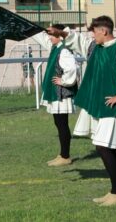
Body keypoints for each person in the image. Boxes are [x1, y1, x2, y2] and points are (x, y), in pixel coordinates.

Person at [47, 15, 116, 206]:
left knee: (103, 146)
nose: (92, 35)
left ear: (104, 31)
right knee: (107, 147)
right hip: (97, 105)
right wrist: (60, 32)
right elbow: (76, 39)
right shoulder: (93, 47)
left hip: (111, 107)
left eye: (94, 31)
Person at [33, 24, 78, 167]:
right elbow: (42, 38)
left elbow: (72, 68)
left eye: (52, 35)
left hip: (61, 94)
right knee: (59, 123)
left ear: (59, 36)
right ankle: (63, 154)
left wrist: (63, 81)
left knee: (62, 124)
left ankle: (65, 156)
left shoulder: (64, 50)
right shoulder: (55, 47)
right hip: (56, 93)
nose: (49, 37)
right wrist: (30, 29)